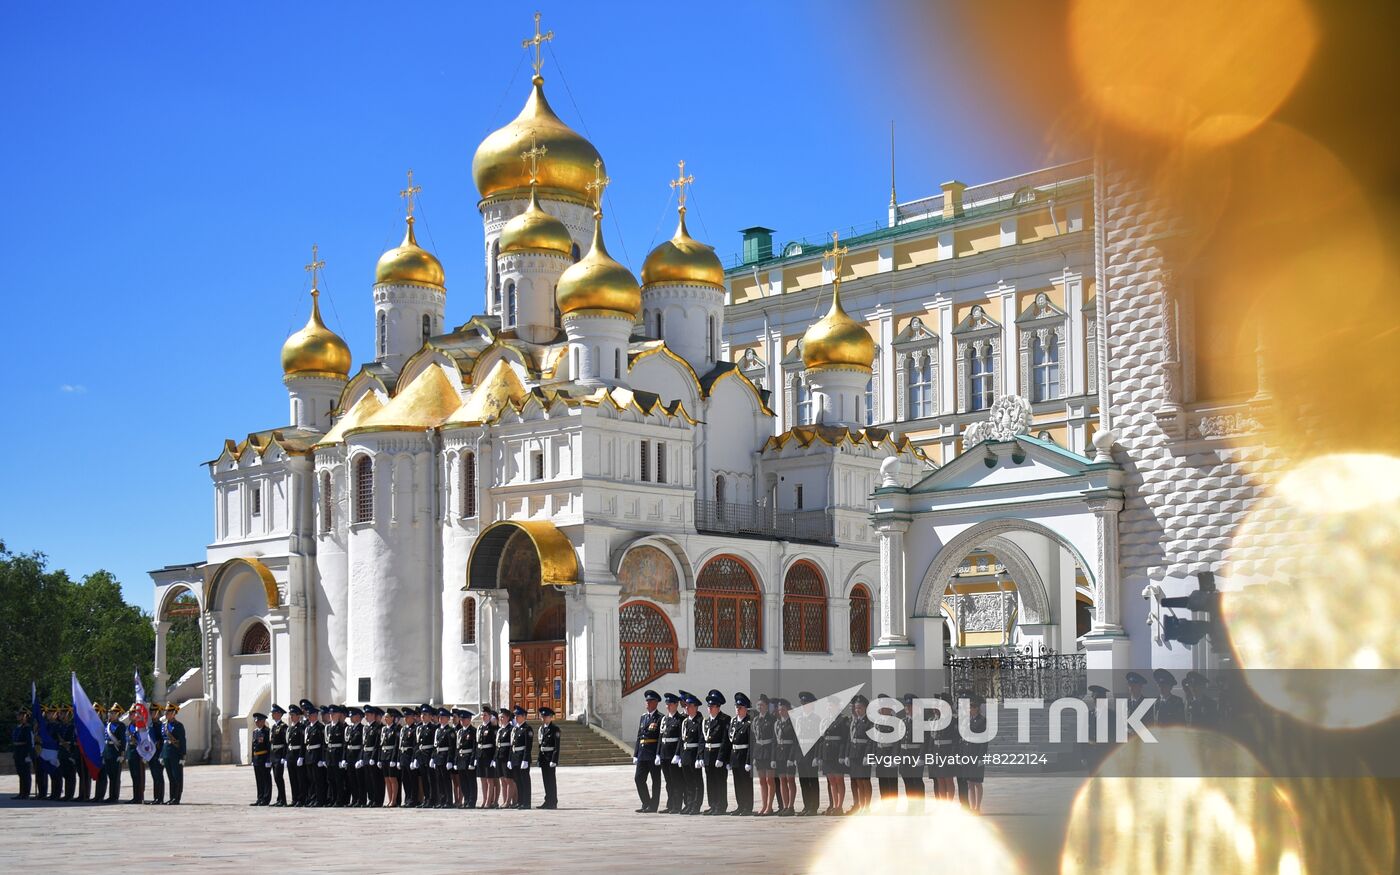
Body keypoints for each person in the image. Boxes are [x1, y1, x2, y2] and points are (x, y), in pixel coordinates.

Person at [701, 689, 731, 815]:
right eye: (709, 706)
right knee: (710, 781)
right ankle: (713, 805)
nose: (710, 708)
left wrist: (721, 757)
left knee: (720, 782)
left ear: (718, 707)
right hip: (708, 755)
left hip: (718, 755)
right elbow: (702, 740)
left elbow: (725, 740)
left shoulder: (725, 719)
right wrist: (701, 756)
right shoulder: (706, 721)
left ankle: (721, 806)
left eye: (712, 706)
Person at [632, 689, 663, 812]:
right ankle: (646, 802)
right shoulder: (643, 717)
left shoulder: (660, 718)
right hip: (642, 754)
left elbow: (660, 738)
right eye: (647, 701)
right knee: (638, 779)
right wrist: (635, 754)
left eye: (650, 701)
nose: (648, 703)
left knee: (656, 781)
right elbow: (639, 736)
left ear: (656, 703)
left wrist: (658, 754)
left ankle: (653, 806)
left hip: (653, 753)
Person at [959, 694, 989, 812]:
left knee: (977, 782)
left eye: (971, 707)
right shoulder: (967, 720)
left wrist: (982, 757)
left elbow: (984, 740)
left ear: (976, 708)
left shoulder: (982, 720)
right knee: (969, 782)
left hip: (976, 754)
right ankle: (972, 807)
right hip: (967, 753)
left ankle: (978, 807)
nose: (969, 709)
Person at [820, 696, 849, 815]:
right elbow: (822, 739)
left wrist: (842, 755)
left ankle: (839, 806)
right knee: (831, 780)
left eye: (831, 705)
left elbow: (844, 739)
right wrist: (821, 755)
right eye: (828, 705)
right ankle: (834, 804)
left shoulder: (842, 720)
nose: (829, 707)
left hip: (837, 753)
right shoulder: (826, 720)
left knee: (839, 780)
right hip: (827, 753)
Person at [846, 694, 874, 813]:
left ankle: (866, 806)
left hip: (863, 755)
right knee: (856, 780)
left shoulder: (869, 722)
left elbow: (870, 741)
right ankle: (860, 805)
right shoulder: (855, 722)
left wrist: (867, 756)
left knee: (864, 781)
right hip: (854, 754)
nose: (857, 710)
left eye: (860, 708)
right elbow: (849, 739)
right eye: (856, 708)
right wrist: (847, 755)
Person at [657, 692, 684, 814]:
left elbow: (681, 738)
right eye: (667, 703)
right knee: (668, 782)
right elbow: (660, 737)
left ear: (676, 705)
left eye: (670, 704)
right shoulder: (664, 719)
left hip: (673, 754)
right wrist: (658, 753)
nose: (668, 706)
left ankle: (677, 805)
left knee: (676, 781)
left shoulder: (680, 719)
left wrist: (677, 754)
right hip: (664, 754)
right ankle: (670, 804)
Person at [678, 692, 704, 815]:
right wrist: (679, 755)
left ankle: (696, 805)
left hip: (694, 755)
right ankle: (689, 804)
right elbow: (681, 740)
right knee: (688, 782)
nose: (686, 708)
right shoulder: (685, 722)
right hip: (686, 754)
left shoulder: (700, 721)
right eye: (686, 706)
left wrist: (699, 757)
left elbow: (701, 740)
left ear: (695, 707)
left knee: (696, 782)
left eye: (689, 706)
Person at [794, 691, 820, 815]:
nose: (804, 705)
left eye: (806, 703)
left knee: (812, 781)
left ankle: (814, 807)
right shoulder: (798, 719)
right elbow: (796, 738)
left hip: (811, 752)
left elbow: (819, 739)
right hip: (801, 752)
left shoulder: (816, 719)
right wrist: (795, 756)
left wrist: (816, 756)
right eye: (803, 703)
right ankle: (806, 805)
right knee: (803, 781)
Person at [898, 693, 925, 813]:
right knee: (907, 782)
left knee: (917, 782)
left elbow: (924, 742)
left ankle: (919, 807)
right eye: (906, 706)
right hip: (904, 756)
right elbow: (899, 741)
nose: (907, 708)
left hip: (915, 755)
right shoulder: (903, 721)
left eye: (910, 706)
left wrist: (921, 757)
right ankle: (911, 806)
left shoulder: (920, 722)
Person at [727, 692, 753, 816]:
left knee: (746, 783)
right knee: (737, 783)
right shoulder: (733, 722)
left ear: (746, 709)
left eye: (740, 707)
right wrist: (728, 760)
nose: (738, 710)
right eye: (736, 707)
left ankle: (747, 807)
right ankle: (740, 805)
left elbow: (750, 744)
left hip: (744, 756)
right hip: (734, 756)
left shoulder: (749, 723)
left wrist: (748, 761)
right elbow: (729, 742)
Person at [930, 693, 959, 800]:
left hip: (947, 752)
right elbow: (932, 739)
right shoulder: (936, 720)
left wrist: (952, 755)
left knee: (948, 779)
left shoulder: (953, 720)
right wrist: (931, 754)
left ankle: (949, 803)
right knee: (940, 779)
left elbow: (955, 740)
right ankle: (943, 803)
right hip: (937, 752)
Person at [771, 697, 797, 816]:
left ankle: (791, 806)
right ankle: (785, 806)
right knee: (782, 780)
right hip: (779, 754)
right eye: (779, 709)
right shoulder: (777, 723)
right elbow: (774, 742)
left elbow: (795, 742)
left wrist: (791, 758)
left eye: (783, 709)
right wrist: (773, 758)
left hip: (789, 753)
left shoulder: (792, 722)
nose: (781, 711)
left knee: (790, 780)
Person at [751, 694, 777, 816]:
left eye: (762, 705)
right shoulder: (756, 720)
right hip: (759, 752)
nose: (759, 707)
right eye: (758, 705)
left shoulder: (772, 720)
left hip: (769, 751)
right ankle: (763, 805)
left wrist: (773, 757)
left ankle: (770, 806)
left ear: (767, 706)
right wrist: (755, 756)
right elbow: (755, 738)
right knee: (762, 780)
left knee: (769, 780)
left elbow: (774, 739)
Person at [873, 695, 900, 802]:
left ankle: (892, 805)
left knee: (891, 781)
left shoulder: (895, 722)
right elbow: (874, 741)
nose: (881, 709)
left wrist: (894, 757)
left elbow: (896, 742)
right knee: (882, 780)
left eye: (884, 707)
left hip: (889, 753)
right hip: (880, 753)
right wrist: (874, 756)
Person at [161, 703, 186, 804]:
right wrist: (162, 755)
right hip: (167, 753)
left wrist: (183, 755)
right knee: (170, 777)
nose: (166, 713)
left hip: (176, 754)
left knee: (177, 777)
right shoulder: (164, 725)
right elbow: (164, 740)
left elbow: (182, 741)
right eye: (165, 712)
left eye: (168, 712)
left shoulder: (178, 726)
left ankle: (177, 798)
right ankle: (172, 797)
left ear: (173, 713)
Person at [510, 705, 534, 809]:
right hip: (515, 757)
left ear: (524, 716)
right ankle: (520, 801)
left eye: (518, 715)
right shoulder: (515, 729)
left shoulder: (527, 729)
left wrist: (525, 759)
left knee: (525, 781)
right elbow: (512, 745)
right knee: (518, 780)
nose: (516, 717)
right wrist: (510, 759)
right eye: (515, 716)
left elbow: (528, 746)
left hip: (522, 757)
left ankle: (526, 802)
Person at [537, 706, 560, 809]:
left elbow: (557, 746)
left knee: (551, 780)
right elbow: (540, 745)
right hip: (543, 757)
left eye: (545, 716)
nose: (543, 718)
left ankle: (553, 801)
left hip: (550, 757)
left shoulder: (555, 729)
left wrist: (554, 759)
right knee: (545, 780)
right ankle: (547, 800)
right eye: (542, 716)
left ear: (551, 717)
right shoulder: (541, 729)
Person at [302, 702, 325, 807]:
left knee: (317, 779)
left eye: (310, 715)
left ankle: (319, 799)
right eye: (308, 715)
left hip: (316, 756)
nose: (309, 717)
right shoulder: (308, 727)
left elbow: (323, 744)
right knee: (310, 779)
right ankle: (312, 798)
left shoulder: (320, 727)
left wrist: (321, 758)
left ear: (315, 715)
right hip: (309, 755)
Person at [124, 706, 147, 804]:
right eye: (130, 713)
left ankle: (140, 796)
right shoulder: (129, 726)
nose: (130, 715)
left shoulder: (140, 726)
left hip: (139, 753)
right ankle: (135, 796)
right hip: (131, 752)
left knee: (139, 776)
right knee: (133, 776)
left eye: (132, 713)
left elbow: (144, 740)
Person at [475, 707, 497, 809]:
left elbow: (495, 744)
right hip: (480, 755)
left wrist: (493, 758)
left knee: (489, 780)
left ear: (489, 716)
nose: (483, 717)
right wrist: (476, 757)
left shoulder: (492, 728)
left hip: (488, 755)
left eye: (485, 715)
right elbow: (477, 743)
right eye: (482, 715)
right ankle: (484, 800)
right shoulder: (480, 728)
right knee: (483, 780)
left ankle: (489, 801)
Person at [455, 708, 477, 808]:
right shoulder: (459, 732)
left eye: (464, 719)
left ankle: (472, 801)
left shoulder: (473, 731)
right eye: (461, 719)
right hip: (460, 759)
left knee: (471, 781)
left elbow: (474, 747)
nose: (462, 721)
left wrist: (472, 761)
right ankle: (466, 799)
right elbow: (457, 747)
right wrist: (455, 761)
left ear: (469, 719)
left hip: (468, 758)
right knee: (463, 781)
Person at [11, 706, 34, 800]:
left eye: (21, 715)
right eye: (18, 715)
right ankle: (21, 792)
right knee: (20, 773)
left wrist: (29, 754)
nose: (18, 717)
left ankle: (26, 793)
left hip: (24, 752)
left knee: (25, 774)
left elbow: (29, 742)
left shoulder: (27, 728)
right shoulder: (18, 727)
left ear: (25, 716)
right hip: (18, 752)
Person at [381, 708, 402, 808]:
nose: (385, 719)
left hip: (391, 756)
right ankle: (389, 800)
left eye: (387, 717)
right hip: (384, 755)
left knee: (392, 778)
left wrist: (394, 759)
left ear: (393, 718)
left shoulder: (396, 729)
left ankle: (394, 800)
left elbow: (396, 745)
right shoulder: (384, 729)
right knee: (386, 779)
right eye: (385, 717)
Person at [268, 704, 288, 806]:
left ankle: (283, 800)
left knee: (278, 777)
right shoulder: (274, 727)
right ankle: (279, 799)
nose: (272, 715)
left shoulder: (283, 727)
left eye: (274, 713)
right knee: (276, 778)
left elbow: (285, 743)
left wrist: (284, 757)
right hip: (273, 756)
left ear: (278, 714)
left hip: (279, 755)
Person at [495, 705, 515, 809]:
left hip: (507, 756)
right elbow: (497, 745)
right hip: (499, 756)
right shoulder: (500, 730)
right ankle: (504, 801)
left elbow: (512, 745)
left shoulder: (511, 729)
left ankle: (508, 801)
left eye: (503, 717)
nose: (501, 719)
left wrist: (510, 759)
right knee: (502, 780)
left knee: (509, 780)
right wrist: (495, 758)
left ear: (507, 717)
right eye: (500, 717)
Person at [250, 712, 271, 806]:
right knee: (259, 780)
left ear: (263, 721)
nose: (256, 722)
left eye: (258, 721)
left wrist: (268, 760)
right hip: (257, 759)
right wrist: (252, 758)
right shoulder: (255, 732)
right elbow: (253, 746)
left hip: (264, 758)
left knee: (266, 779)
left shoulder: (267, 731)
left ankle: (266, 799)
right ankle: (260, 798)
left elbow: (269, 747)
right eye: (256, 721)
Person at [286, 704, 305, 806]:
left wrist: (301, 756)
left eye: (293, 715)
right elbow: (287, 743)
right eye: (290, 715)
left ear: (298, 716)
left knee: (300, 779)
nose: (291, 717)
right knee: (292, 779)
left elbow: (303, 743)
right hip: (291, 756)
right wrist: (286, 757)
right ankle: (294, 799)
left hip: (297, 755)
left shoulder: (301, 728)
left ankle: (301, 799)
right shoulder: (290, 728)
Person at [146, 703, 165, 805]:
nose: (152, 714)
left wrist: (161, 755)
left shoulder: (161, 726)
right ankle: (156, 797)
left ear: (158, 713)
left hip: (158, 754)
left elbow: (163, 741)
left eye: (154, 712)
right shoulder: (150, 726)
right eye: (151, 712)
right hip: (151, 755)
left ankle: (160, 798)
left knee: (159, 777)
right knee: (154, 777)